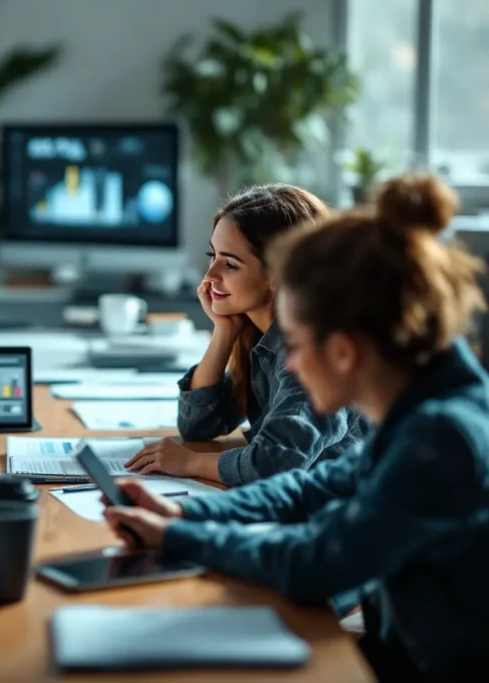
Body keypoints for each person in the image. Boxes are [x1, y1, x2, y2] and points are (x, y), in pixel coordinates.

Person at [102, 174, 489, 681]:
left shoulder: (443, 438)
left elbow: (313, 562)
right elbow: (313, 487)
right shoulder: (427, 404)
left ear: (344, 350)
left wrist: (177, 535)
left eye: (299, 346)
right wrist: (180, 515)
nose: (291, 366)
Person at [125, 184, 368, 485]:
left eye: (229, 264)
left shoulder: (314, 353)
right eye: (211, 256)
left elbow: (274, 464)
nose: (210, 275)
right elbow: (198, 426)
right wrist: (224, 332)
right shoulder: (263, 337)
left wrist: (189, 462)